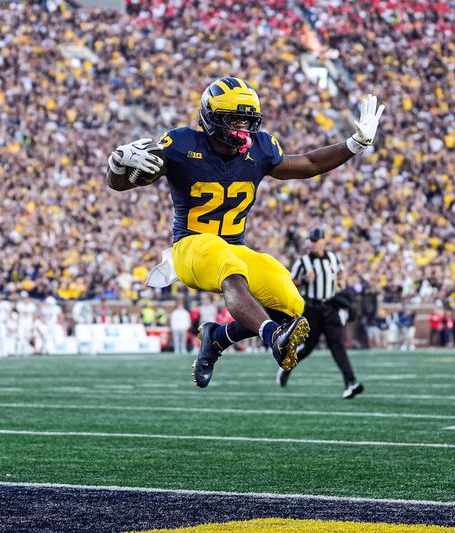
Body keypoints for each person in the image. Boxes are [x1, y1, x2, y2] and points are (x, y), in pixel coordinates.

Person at [108, 77, 385, 388]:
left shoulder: (261, 149)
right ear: (211, 119)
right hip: (190, 247)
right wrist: (118, 164)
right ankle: (272, 337)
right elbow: (123, 182)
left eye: (247, 119)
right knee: (228, 263)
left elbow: (307, 163)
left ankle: (218, 337)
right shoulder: (182, 144)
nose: (242, 127)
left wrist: (354, 145)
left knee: (290, 301)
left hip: (233, 248)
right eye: (234, 119)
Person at [282, 228, 363, 399]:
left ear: (324, 241)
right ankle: (287, 366)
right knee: (309, 347)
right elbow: (289, 284)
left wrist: (342, 280)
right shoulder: (303, 262)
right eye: (311, 240)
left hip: (330, 307)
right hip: (312, 309)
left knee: (338, 345)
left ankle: (351, 382)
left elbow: (341, 272)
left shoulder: (333, 257)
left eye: (316, 240)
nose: (313, 243)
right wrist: (304, 280)